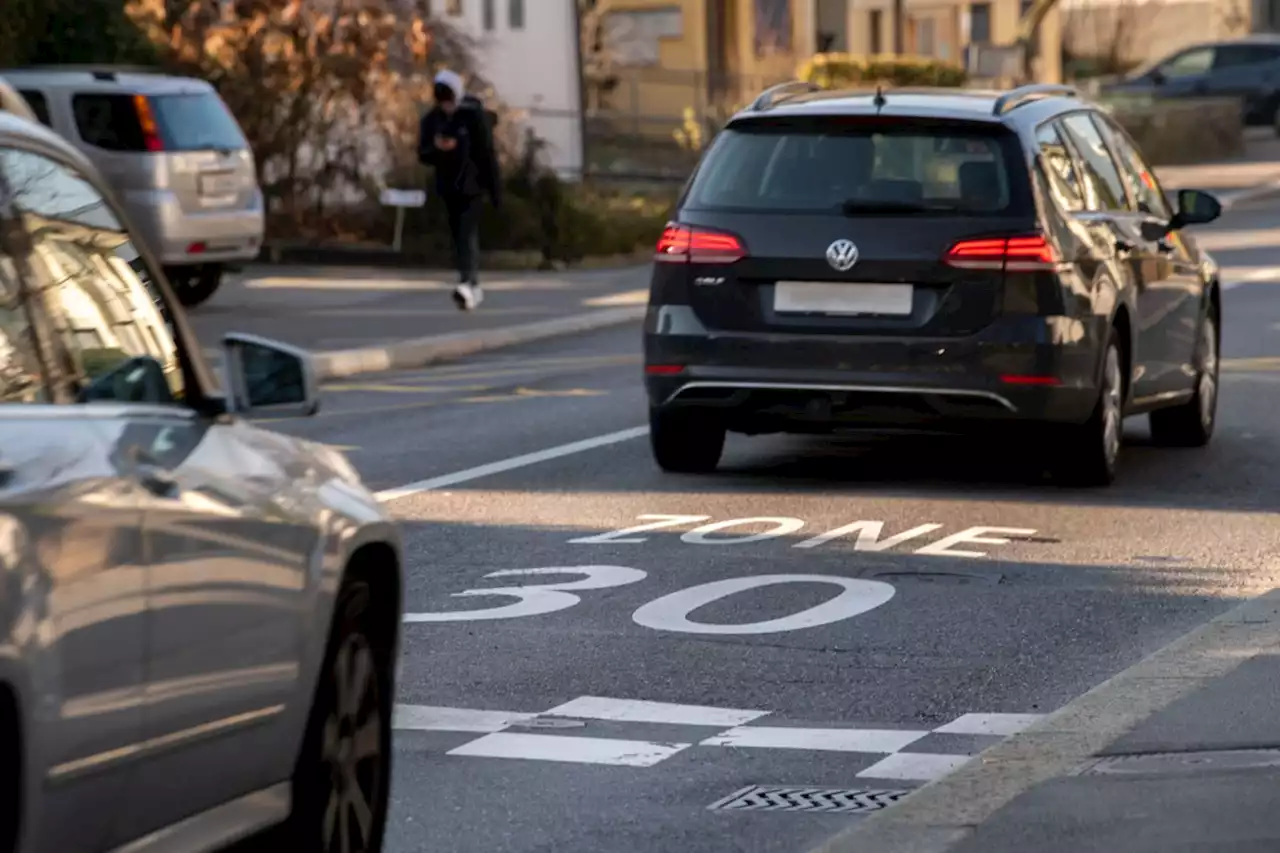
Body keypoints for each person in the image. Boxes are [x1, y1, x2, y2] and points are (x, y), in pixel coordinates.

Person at [418, 69, 502, 311]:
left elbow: (486, 154)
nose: (448, 108)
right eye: (443, 103)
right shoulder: (432, 120)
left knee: (467, 232)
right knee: (457, 236)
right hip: (448, 187)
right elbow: (422, 153)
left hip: (472, 186)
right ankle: (472, 286)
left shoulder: (472, 116)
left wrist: (495, 191)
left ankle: (467, 282)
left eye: (451, 102)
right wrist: (437, 149)